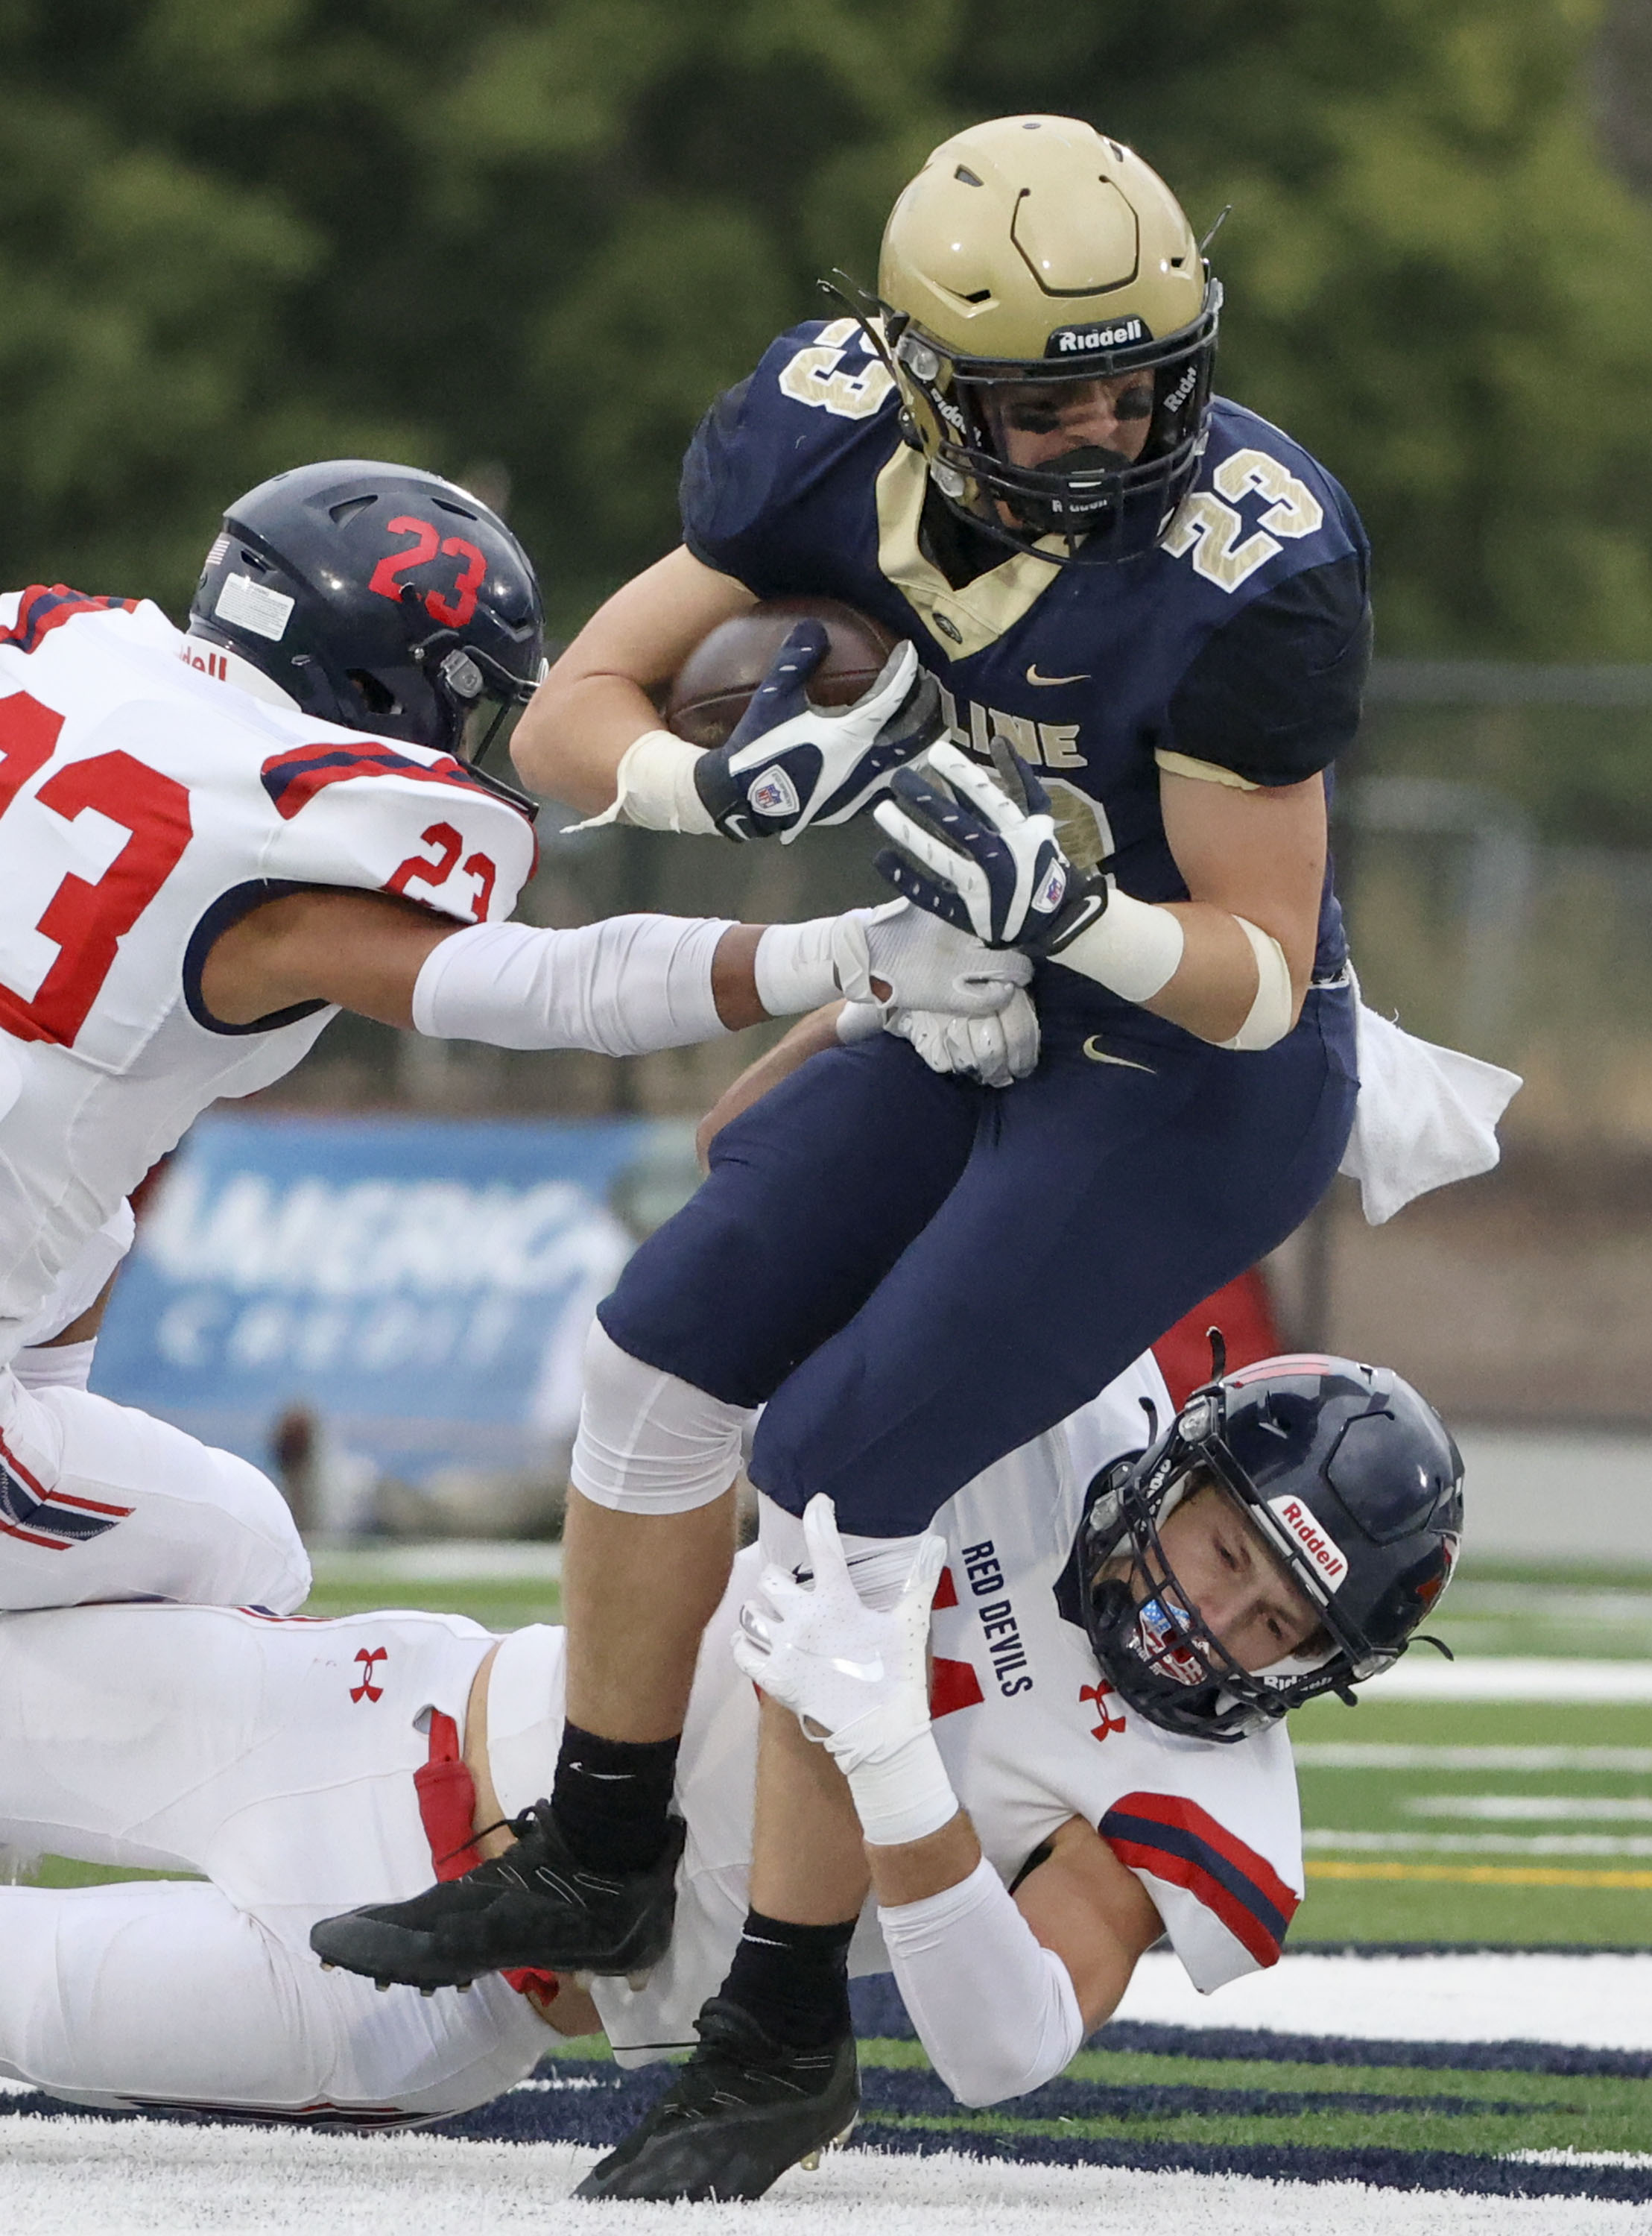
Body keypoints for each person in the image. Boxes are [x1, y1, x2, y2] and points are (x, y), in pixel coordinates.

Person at [314, 110, 1379, 2059]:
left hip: (1192, 1072)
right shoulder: (818, 439)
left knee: (833, 1479)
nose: (1106, 441)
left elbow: (1248, 977)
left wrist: (1065, 910)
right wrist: (714, 788)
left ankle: (783, 2012)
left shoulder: (1253, 563)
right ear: (915, 378)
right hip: (974, 982)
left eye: (1143, 392)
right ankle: (604, 1839)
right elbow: (570, 717)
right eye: (1046, 407)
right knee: (658, 1350)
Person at [0, 1346, 1461, 2197]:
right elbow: (782, 1170)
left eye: (1278, 1626)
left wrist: (888, 1756)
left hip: (428, 1993)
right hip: (375, 1698)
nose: (1208, 1626)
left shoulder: (1201, 1802)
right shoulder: (1060, 1394)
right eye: (1226, 1556)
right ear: (1181, 1466)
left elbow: (1002, 2047)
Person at [0, 458, 1016, 1614]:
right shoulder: (266, 828)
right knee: (243, 1548)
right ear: (382, 686)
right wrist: (844, 953)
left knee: (91, 1224)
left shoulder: (62, 656)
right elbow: (547, 984)